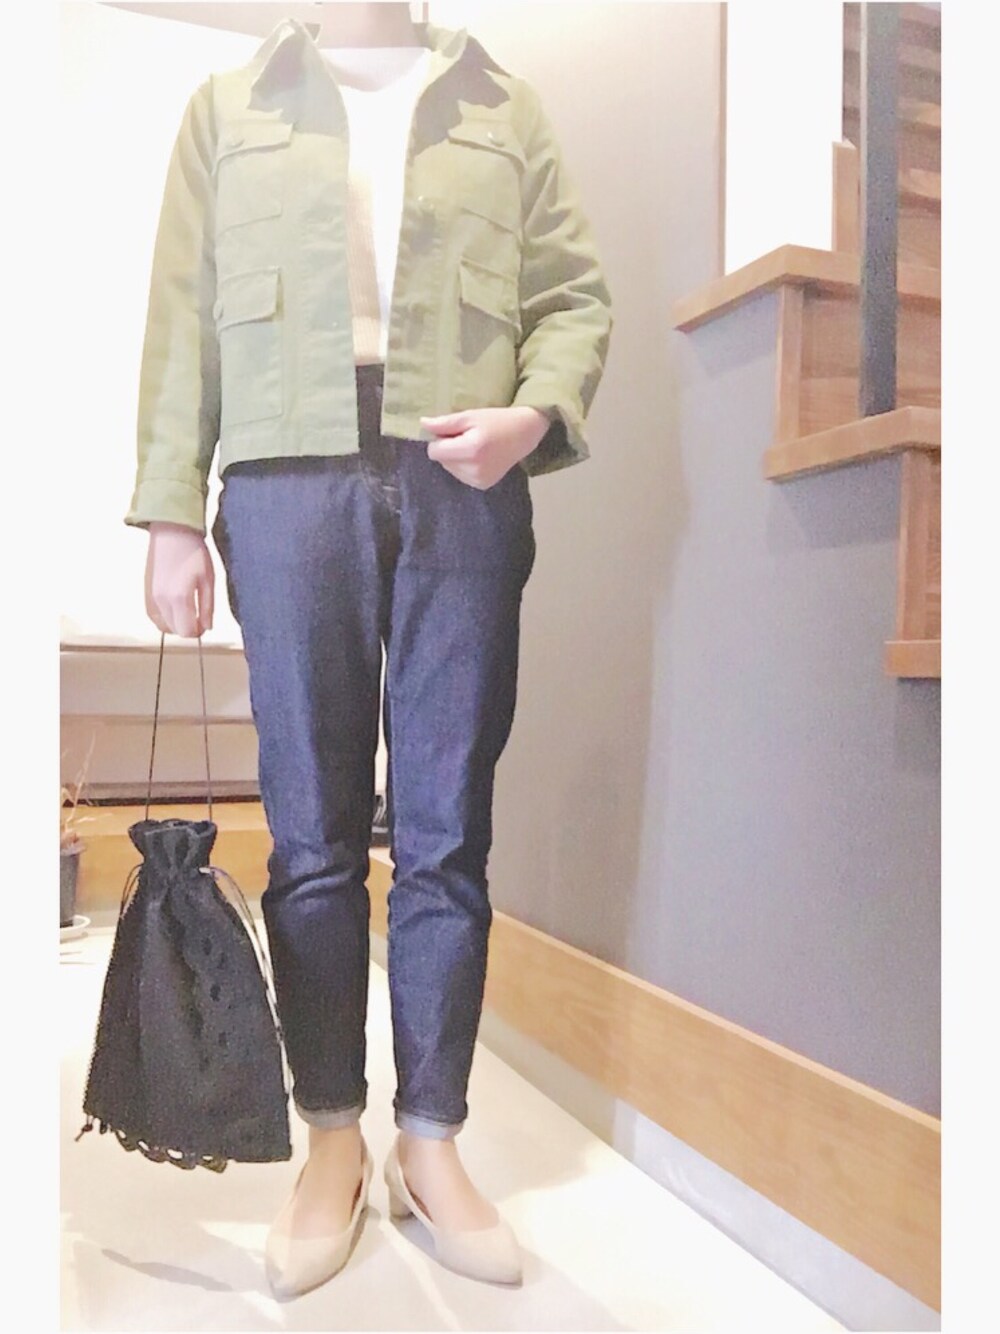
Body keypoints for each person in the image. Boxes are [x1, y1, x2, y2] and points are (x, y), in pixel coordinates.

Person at [125, 1, 612, 1299]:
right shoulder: (228, 110)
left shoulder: (504, 107)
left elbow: (573, 294)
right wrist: (171, 511)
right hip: (286, 473)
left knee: (448, 826)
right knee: (313, 831)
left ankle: (432, 1141)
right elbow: (182, 314)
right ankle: (333, 1138)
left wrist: (535, 415)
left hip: (463, 470)